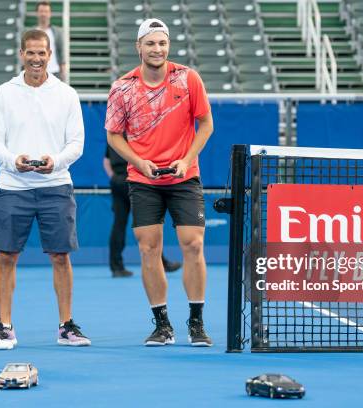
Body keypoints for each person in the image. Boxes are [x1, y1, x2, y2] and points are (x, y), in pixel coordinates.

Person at [105, 19, 214, 347]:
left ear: (168, 46)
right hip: (142, 179)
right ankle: (162, 324)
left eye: (162, 43)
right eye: (150, 44)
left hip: (184, 176)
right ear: (139, 47)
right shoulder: (122, 87)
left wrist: (186, 159)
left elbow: (206, 125)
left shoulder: (188, 78)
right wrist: (138, 162)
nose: (157, 49)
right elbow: (113, 135)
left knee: (193, 244)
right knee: (148, 248)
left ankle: (196, 322)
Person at [0, 29, 89, 347]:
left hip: (56, 185)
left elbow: (76, 143)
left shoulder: (67, 94)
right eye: (30, 52)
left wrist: (55, 162)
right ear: (21, 54)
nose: (36, 59)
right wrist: (12, 160)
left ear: (49, 55)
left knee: (61, 256)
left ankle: (66, 326)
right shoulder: (3, 93)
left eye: (41, 53)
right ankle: (4, 326)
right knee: (7, 256)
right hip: (11, 185)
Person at [104, 144, 182, 278]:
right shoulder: (135, 132)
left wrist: (114, 177)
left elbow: (106, 161)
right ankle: (162, 263)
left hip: (118, 181)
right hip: (135, 180)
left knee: (119, 224)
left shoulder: (114, 135)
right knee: (148, 223)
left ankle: (116, 267)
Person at [34, 1, 66, 82]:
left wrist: (63, 76)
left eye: (46, 11)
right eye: (41, 11)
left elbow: (62, 54)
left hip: (54, 73)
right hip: (36, 73)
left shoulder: (57, 32)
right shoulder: (31, 33)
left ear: (50, 14)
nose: (43, 14)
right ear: (37, 13)